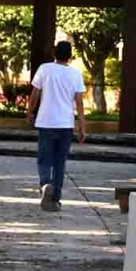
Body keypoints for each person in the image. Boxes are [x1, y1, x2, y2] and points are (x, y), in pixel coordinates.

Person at [26, 40, 86, 212]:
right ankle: (55, 199)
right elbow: (80, 103)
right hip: (65, 124)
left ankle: (45, 185)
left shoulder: (44, 69)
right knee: (60, 162)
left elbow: (35, 94)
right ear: (70, 56)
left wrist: (30, 113)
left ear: (54, 54)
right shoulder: (75, 74)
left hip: (46, 122)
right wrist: (82, 126)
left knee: (44, 158)